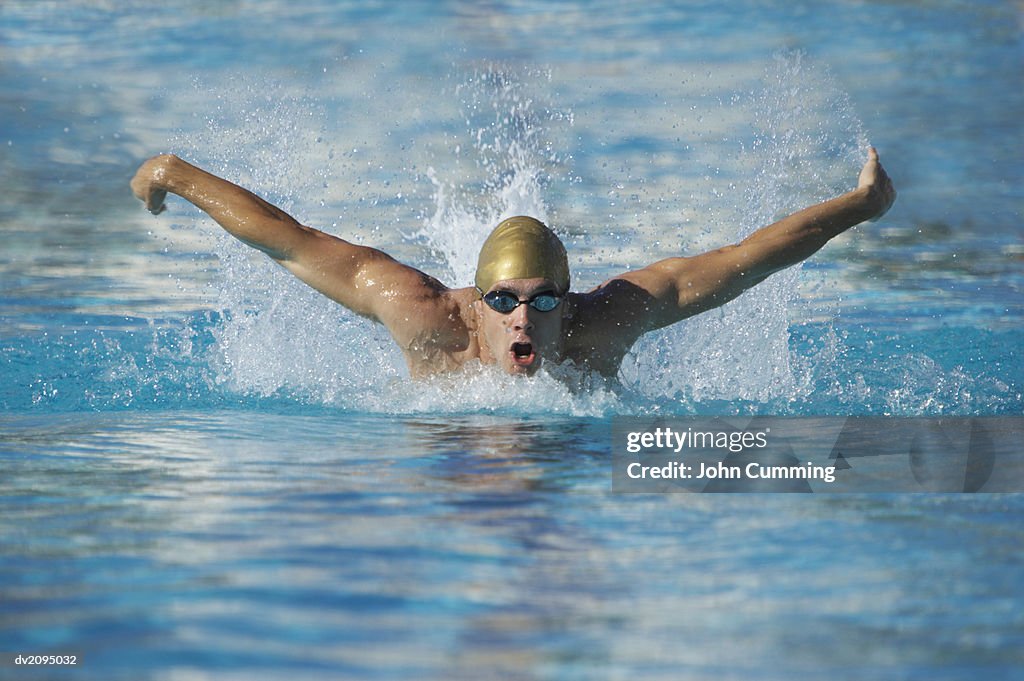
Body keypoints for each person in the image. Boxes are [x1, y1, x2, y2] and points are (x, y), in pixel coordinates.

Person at [130, 148, 895, 379]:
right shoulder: (426, 317)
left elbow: (744, 260)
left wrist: (861, 206)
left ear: (571, 298)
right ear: (476, 301)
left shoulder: (608, 320)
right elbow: (286, 237)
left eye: (542, 301)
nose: (523, 317)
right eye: (503, 301)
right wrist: (174, 175)